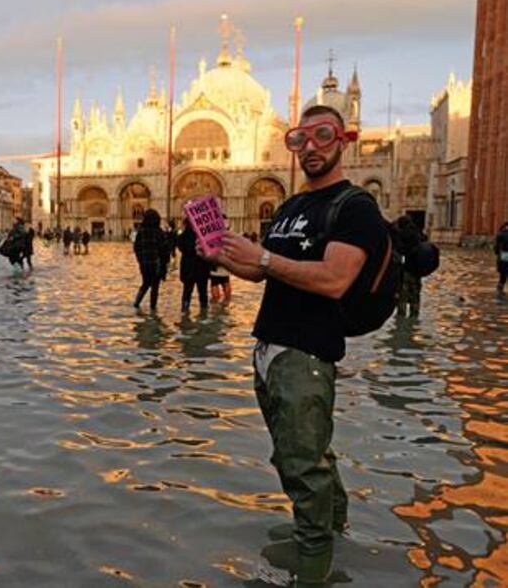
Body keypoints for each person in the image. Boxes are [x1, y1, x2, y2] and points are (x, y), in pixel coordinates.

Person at [209, 104, 387, 585]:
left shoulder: (354, 207)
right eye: (299, 139)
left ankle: (312, 565)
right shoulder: (290, 207)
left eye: (322, 135)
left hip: (307, 354)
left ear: (343, 139)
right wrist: (225, 256)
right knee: (303, 452)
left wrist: (263, 256)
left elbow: (334, 279)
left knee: (302, 462)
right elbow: (265, 272)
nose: (310, 147)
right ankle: (331, 528)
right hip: (270, 347)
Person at [133, 209, 167, 312]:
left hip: (144, 264)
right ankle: (153, 308)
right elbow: (164, 249)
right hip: (156, 264)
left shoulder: (141, 231)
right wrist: (164, 264)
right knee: (155, 287)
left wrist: (140, 260)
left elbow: (136, 247)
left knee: (145, 283)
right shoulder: (159, 231)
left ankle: (136, 303)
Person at [177, 216, 211, 313]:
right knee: (203, 293)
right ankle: (204, 314)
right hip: (202, 268)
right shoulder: (203, 236)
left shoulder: (182, 236)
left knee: (187, 292)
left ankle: (184, 311)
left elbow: (181, 248)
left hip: (188, 269)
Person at [392, 215, 424, 317]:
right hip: (418, 271)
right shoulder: (419, 234)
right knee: (415, 296)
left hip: (407, 271)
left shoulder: (405, 235)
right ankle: (414, 315)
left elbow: (402, 250)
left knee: (403, 296)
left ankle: (401, 319)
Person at [497, 222, 508, 295]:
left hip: (503, 255)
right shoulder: (502, 235)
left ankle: (500, 286)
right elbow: (497, 247)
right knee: (503, 273)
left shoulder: (500, 234)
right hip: (504, 255)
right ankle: (500, 287)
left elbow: (496, 248)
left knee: (503, 273)